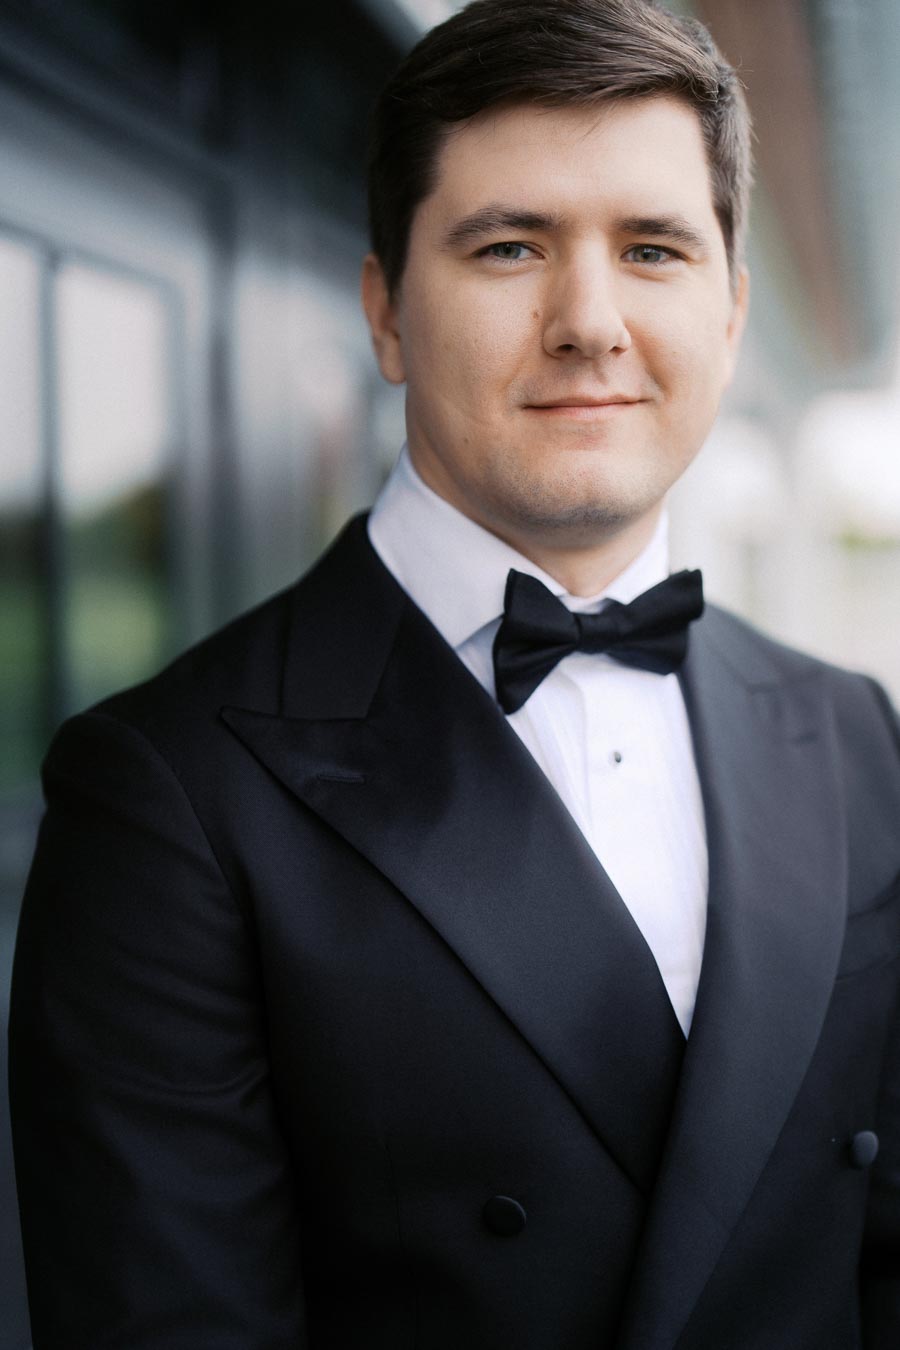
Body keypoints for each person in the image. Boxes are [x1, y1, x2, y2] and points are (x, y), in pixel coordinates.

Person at [9, 0, 900, 1345]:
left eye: (653, 247)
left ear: (730, 315)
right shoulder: (164, 791)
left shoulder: (853, 730)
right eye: (508, 246)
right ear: (386, 313)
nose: (589, 321)